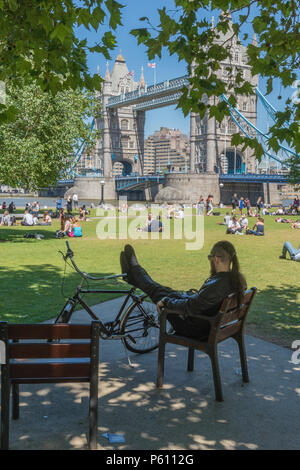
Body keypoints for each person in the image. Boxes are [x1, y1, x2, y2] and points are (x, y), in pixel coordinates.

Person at [120, 241, 247, 340]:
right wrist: (176, 297)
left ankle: (134, 272)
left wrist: (166, 302)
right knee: (167, 291)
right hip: (209, 325)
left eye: (210, 257)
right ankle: (135, 272)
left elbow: (190, 307)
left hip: (194, 329)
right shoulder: (237, 279)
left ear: (216, 259)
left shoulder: (217, 285)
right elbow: (199, 302)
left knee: (160, 293)